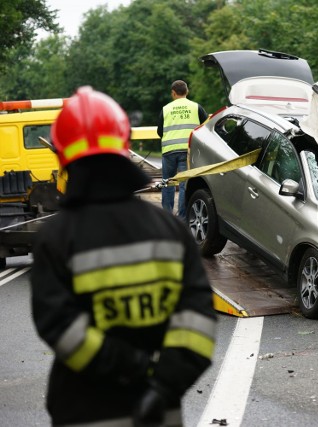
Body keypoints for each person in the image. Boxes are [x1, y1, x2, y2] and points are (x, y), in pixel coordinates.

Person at [31, 86, 217, 427]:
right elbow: (198, 323)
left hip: (81, 410)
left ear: (63, 157)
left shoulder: (55, 238)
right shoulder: (170, 230)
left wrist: (130, 366)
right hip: (159, 411)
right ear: (124, 146)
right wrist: (160, 384)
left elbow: (60, 327)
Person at [157, 80, 208, 220]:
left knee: (167, 183)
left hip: (169, 152)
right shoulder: (196, 107)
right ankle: (182, 220)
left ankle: (167, 219)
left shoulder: (166, 109)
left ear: (173, 93)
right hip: (188, 151)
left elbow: (160, 131)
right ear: (187, 92)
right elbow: (206, 128)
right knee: (185, 185)